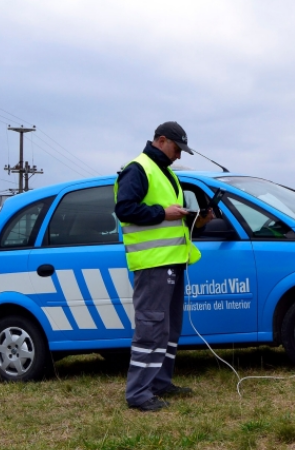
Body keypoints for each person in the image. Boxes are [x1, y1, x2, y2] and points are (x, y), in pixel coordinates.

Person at [114, 121, 212, 412]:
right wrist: (163, 212)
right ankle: (138, 393)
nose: (179, 156)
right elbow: (125, 210)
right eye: (176, 149)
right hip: (152, 264)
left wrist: (195, 219)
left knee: (169, 328)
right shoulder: (138, 168)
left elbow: (169, 220)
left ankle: (159, 382)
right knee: (151, 328)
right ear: (160, 140)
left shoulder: (166, 172)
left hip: (171, 262)